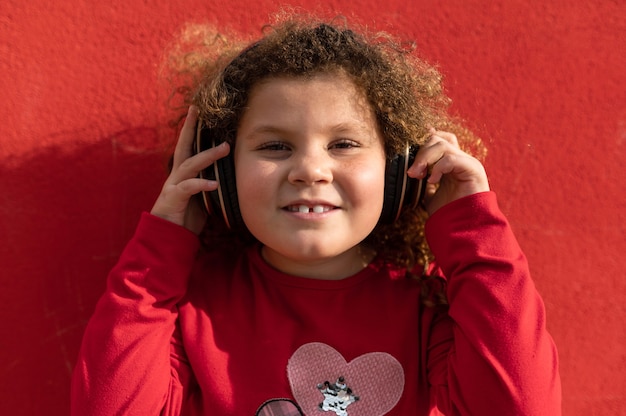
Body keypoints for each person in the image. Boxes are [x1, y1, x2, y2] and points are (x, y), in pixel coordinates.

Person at [71, 12, 561, 415]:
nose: (310, 170)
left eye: (344, 144)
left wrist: (472, 228)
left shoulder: (428, 308)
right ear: (219, 170)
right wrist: (158, 256)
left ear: (400, 168)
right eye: (275, 146)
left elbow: (520, 406)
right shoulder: (188, 311)